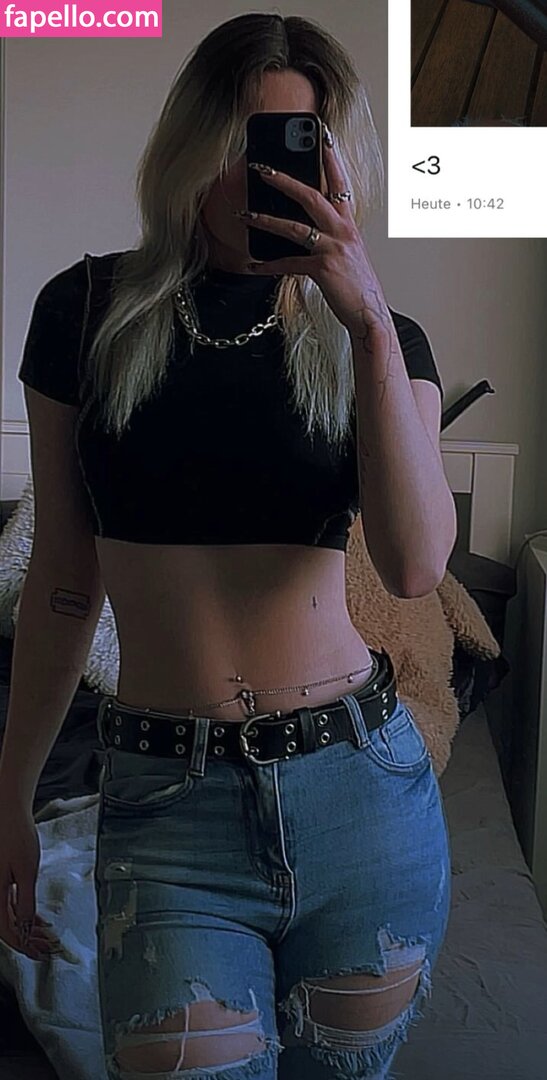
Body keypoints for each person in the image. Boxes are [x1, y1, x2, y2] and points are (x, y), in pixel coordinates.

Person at [0, 12, 456, 1079]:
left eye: (298, 149)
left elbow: (414, 564)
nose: (264, 177)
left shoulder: (380, 340)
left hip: (361, 797)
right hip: (169, 808)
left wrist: (367, 323)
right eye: (247, 142)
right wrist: (11, 794)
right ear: (192, 143)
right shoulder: (84, 312)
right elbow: (62, 581)